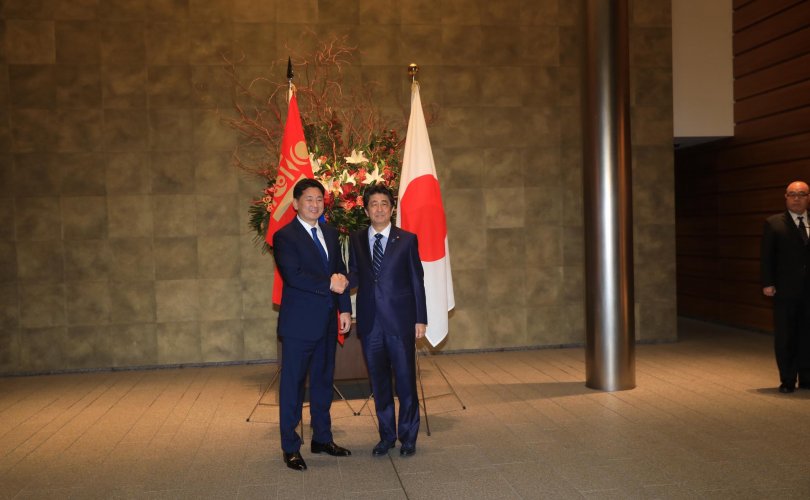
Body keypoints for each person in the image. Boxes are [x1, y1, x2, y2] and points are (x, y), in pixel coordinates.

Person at [272, 178, 353, 470]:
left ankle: (322, 438)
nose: (315, 204)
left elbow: (340, 273)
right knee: (293, 386)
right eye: (308, 199)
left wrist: (345, 309)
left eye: (319, 199)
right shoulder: (285, 237)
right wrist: (329, 284)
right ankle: (290, 446)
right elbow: (293, 276)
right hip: (299, 326)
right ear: (295, 203)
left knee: (322, 383)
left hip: (327, 323)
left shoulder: (330, 233)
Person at [348, 184, 427, 457]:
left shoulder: (406, 239)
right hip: (370, 323)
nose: (379, 209)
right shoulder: (356, 239)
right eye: (374, 204)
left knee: (405, 382)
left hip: (400, 321)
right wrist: (340, 282)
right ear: (366, 209)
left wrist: (420, 318)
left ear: (392, 208)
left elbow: (418, 280)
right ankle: (386, 436)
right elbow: (356, 275)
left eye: (384, 203)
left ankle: (408, 437)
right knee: (379, 384)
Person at [761, 180, 810, 393]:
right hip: (785, 290)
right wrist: (767, 283)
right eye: (792, 194)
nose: (796, 198)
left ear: (808, 197)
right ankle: (788, 379)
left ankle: (807, 377)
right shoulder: (774, 223)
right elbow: (766, 257)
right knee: (786, 336)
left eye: (801, 194)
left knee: (808, 335)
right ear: (786, 197)